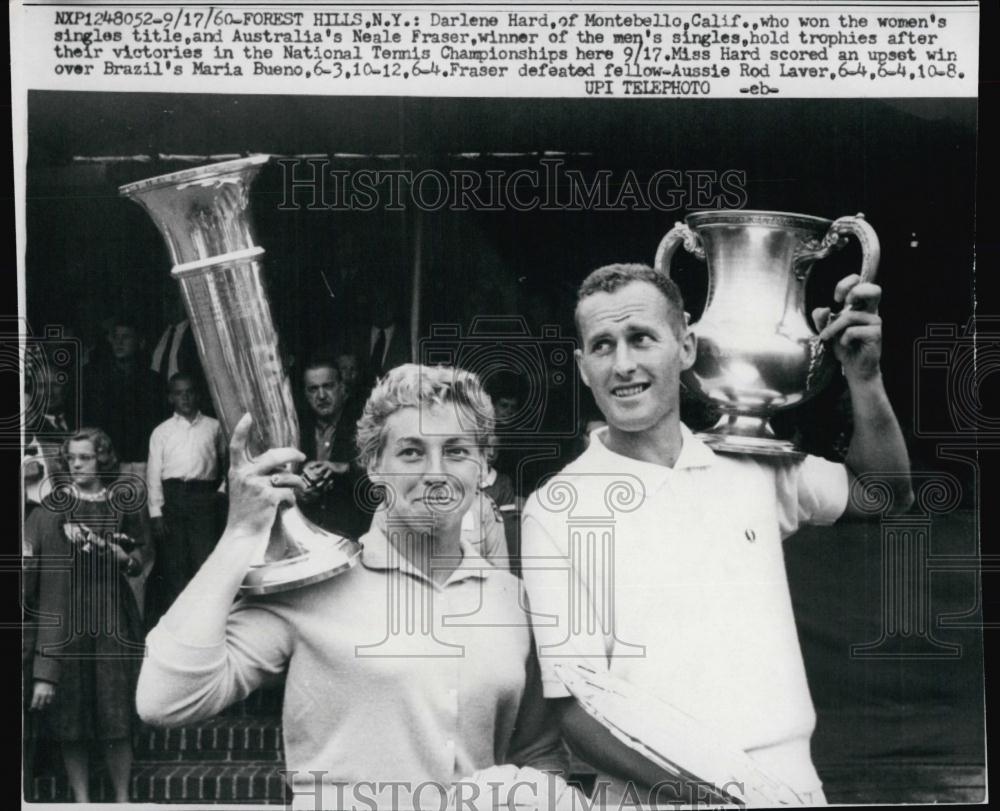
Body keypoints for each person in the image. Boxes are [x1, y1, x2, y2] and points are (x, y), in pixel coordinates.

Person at [520, 264, 914, 806]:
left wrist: (863, 377)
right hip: (656, 798)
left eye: (641, 338)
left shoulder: (754, 464)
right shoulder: (556, 509)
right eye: (603, 345)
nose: (623, 364)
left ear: (686, 346)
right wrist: (721, 796)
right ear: (583, 368)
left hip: (792, 785)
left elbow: (885, 494)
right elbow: (577, 713)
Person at [136, 365, 576, 809]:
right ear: (373, 464)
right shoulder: (315, 584)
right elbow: (164, 698)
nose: (436, 472)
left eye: (457, 451)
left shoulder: (512, 601)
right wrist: (239, 534)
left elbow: (538, 756)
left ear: (483, 466)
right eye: (411, 452)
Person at [25, 428, 149, 802]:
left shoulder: (122, 503)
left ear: (103, 459)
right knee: (71, 714)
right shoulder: (52, 509)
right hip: (69, 618)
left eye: (86, 457)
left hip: (112, 614)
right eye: (72, 458)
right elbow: (31, 575)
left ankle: (122, 799)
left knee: (116, 712)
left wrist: (124, 558)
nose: (77, 464)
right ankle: (82, 801)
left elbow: (141, 560)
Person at [146, 373, 226, 609]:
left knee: (205, 560)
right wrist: (156, 512)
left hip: (205, 498)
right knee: (175, 565)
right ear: (171, 398)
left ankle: (207, 618)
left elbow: (227, 462)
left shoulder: (214, 427)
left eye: (190, 392)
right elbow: (153, 474)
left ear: (198, 394)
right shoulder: (162, 431)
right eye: (179, 393)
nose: (185, 398)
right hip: (173, 500)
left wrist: (220, 493)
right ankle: (179, 622)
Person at [82, 319, 166, 476]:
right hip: (104, 461)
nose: (118, 342)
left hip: (142, 462)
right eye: (115, 337)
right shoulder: (93, 377)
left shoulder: (153, 381)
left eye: (126, 337)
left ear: (140, 342)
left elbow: (158, 425)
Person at [297, 358, 369, 539]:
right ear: (305, 394)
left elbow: (383, 478)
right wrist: (298, 488)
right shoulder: (297, 429)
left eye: (328, 386)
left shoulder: (364, 425)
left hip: (353, 538)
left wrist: (343, 468)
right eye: (313, 389)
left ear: (342, 388)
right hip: (308, 537)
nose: (321, 396)